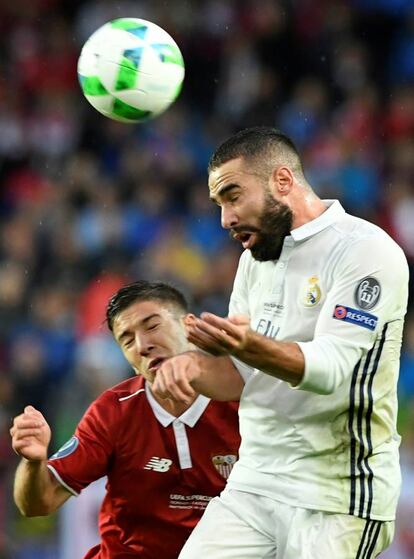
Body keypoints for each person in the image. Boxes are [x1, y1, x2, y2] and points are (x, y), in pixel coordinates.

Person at [151, 127, 410, 559]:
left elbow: (328, 371)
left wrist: (246, 346)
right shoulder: (254, 261)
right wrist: (191, 369)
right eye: (219, 204)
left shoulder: (365, 251)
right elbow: (242, 377)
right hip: (254, 484)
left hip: (336, 496)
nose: (225, 219)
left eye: (233, 196)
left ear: (283, 181)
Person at [10, 280, 241, 559]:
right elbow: (38, 503)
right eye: (127, 340)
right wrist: (33, 462)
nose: (143, 345)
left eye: (152, 326)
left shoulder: (242, 401)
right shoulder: (113, 413)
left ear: (189, 327)